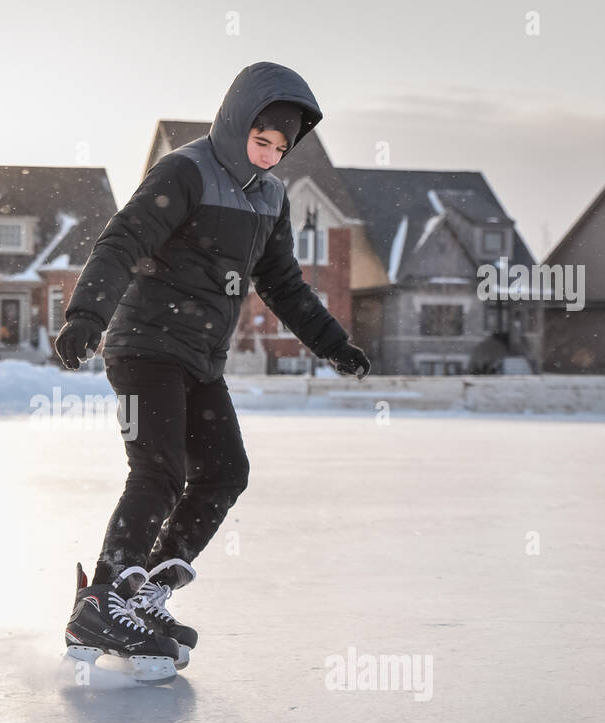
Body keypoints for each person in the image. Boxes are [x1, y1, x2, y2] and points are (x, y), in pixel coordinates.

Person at [55, 61, 370, 680]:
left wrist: (334, 344)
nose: (270, 157)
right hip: (144, 348)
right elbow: (122, 241)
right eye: (262, 141)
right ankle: (103, 599)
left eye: (282, 149)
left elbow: (283, 285)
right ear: (236, 124)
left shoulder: (271, 198)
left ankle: (144, 592)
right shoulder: (186, 171)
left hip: (200, 359)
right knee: (159, 470)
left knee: (226, 472)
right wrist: (86, 316)